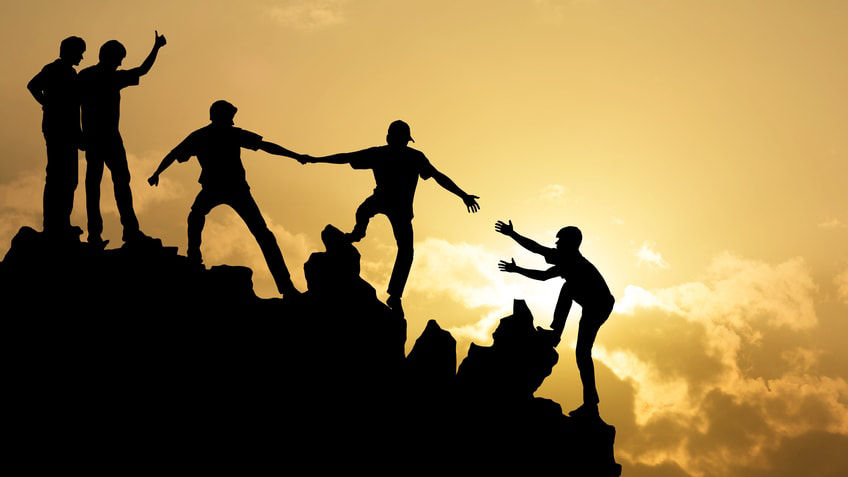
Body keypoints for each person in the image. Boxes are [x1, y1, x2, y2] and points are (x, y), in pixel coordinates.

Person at [303, 120, 480, 315]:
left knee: (394, 240)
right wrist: (316, 160)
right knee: (377, 225)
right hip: (391, 204)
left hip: (394, 206)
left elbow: (438, 177)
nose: (402, 144)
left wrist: (463, 195)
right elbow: (346, 157)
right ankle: (361, 240)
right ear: (394, 139)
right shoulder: (396, 155)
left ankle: (391, 289)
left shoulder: (404, 156)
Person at [148, 100, 306, 298]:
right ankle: (195, 258)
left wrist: (295, 156)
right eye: (230, 116)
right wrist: (157, 172)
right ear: (222, 116)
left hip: (231, 189)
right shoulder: (219, 135)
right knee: (200, 217)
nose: (232, 120)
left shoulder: (206, 135)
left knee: (203, 218)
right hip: (223, 188)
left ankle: (286, 287)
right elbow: (174, 154)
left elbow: (265, 146)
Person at [496, 220, 614, 418]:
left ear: (569, 244)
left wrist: (514, 244)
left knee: (582, 353)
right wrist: (513, 243)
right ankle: (556, 333)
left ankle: (591, 404)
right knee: (568, 288)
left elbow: (539, 259)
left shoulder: (572, 261)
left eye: (559, 241)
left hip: (598, 306)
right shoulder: (566, 260)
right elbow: (539, 259)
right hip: (594, 304)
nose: (556, 244)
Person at [78, 31, 167, 247]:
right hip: (102, 138)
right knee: (103, 183)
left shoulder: (88, 75)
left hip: (101, 137)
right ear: (111, 57)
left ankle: (112, 232)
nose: (120, 64)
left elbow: (141, 70)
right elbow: (142, 70)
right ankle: (113, 233)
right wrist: (156, 48)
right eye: (119, 59)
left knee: (105, 183)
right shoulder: (105, 77)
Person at [27, 36, 86, 240]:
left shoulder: (72, 73)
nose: (81, 57)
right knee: (57, 176)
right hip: (57, 129)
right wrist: (47, 104)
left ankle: (63, 222)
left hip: (70, 130)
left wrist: (78, 134)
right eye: (80, 53)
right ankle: (52, 225)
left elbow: (74, 107)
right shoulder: (53, 69)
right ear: (70, 51)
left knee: (70, 178)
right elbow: (32, 85)